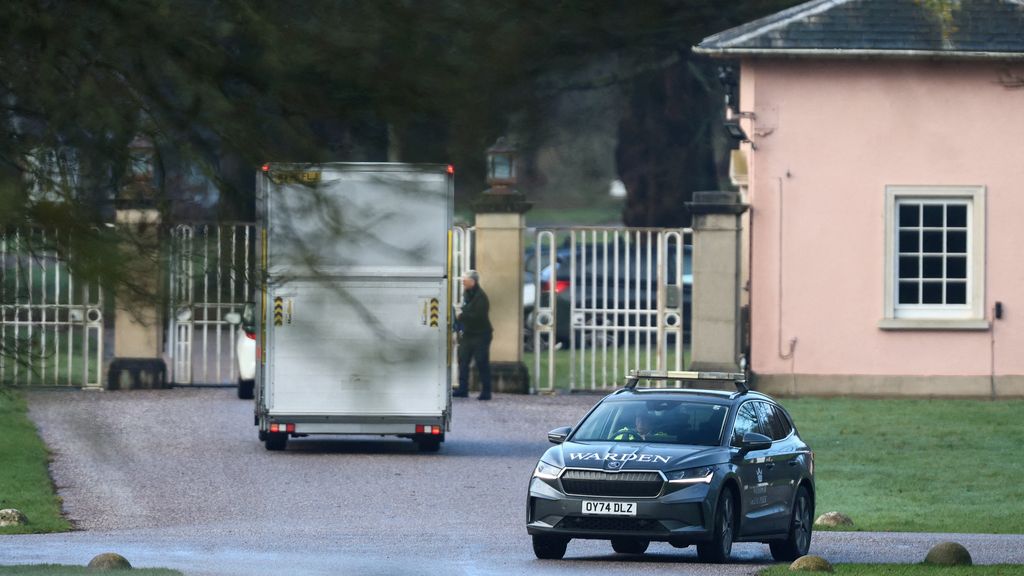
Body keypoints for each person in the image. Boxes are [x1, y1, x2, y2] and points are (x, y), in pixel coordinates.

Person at [454, 269, 493, 400]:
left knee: (482, 362)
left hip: (481, 335)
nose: (462, 282)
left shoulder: (481, 297)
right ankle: (463, 389)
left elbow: (478, 316)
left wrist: (461, 316)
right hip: (469, 334)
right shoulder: (467, 293)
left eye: (465, 280)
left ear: (472, 281)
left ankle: (486, 391)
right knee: (463, 361)